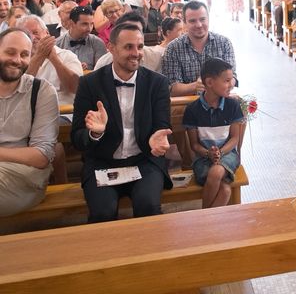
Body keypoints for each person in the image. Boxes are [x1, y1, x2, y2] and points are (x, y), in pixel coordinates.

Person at [70, 23, 173, 223]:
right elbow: (77, 138)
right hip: (102, 163)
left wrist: (156, 138)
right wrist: (95, 133)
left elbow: (162, 125)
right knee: (102, 212)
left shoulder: (157, 83)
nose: (136, 53)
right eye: (128, 47)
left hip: (144, 160)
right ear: (111, 48)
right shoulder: (89, 84)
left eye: (140, 46)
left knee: (148, 205)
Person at [0, 28, 59, 217]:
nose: (17, 60)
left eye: (25, 54)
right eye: (10, 52)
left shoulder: (41, 91)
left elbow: (42, 155)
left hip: (24, 178)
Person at [184, 58, 243, 208]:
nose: (231, 84)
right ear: (209, 82)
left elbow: (235, 138)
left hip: (228, 154)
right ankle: (208, 224)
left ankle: (202, 217)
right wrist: (208, 153)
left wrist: (220, 152)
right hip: (203, 158)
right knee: (225, 191)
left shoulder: (233, 105)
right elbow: (194, 145)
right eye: (227, 80)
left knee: (216, 172)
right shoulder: (192, 110)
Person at [162, 1, 236, 96]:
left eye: (202, 19)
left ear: (208, 19)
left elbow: (233, 77)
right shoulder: (173, 49)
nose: (199, 25)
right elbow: (172, 88)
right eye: (192, 21)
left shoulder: (224, 43)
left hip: (220, 103)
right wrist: (196, 86)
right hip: (186, 106)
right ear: (184, 23)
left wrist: (226, 83)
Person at [17, 15, 83, 105]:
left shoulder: (67, 56)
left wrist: (54, 59)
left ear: (47, 33)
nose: (32, 38)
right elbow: (19, 90)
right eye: (27, 34)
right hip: (28, 111)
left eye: (35, 32)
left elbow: (75, 88)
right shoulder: (17, 60)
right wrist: (38, 56)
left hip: (63, 113)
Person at [94, 12, 164, 73]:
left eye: (137, 31)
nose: (135, 54)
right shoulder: (104, 63)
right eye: (127, 31)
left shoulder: (156, 59)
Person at [56, 5, 107, 70]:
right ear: (72, 23)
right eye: (84, 24)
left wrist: (88, 71)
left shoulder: (97, 43)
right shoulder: (57, 44)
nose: (89, 29)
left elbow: (102, 72)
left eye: (91, 24)